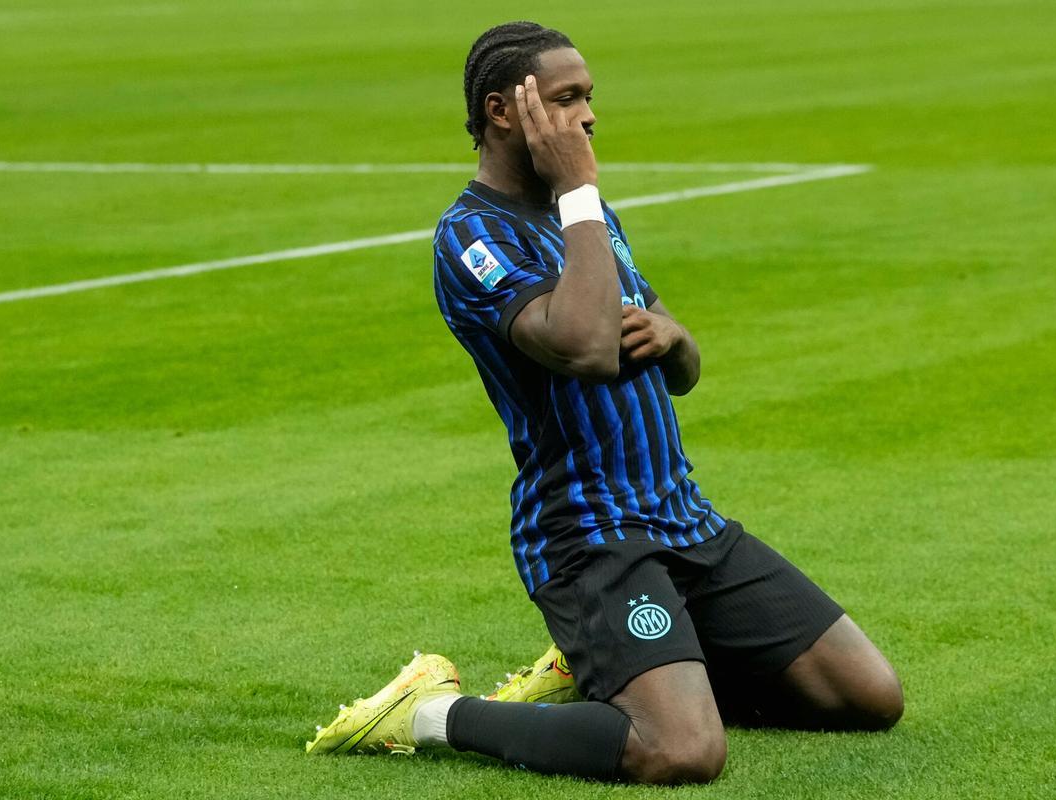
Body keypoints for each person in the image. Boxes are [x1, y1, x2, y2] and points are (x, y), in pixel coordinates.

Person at [306, 21, 903, 784]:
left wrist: (675, 335)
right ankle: (429, 712)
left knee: (868, 697)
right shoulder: (471, 237)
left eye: (588, 97)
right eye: (565, 99)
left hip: (683, 516)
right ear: (502, 111)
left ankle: (620, 669)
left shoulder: (591, 219)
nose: (587, 116)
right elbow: (584, 347)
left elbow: (679, 365)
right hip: (590, 533)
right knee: (682, 751)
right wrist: (577, 191)